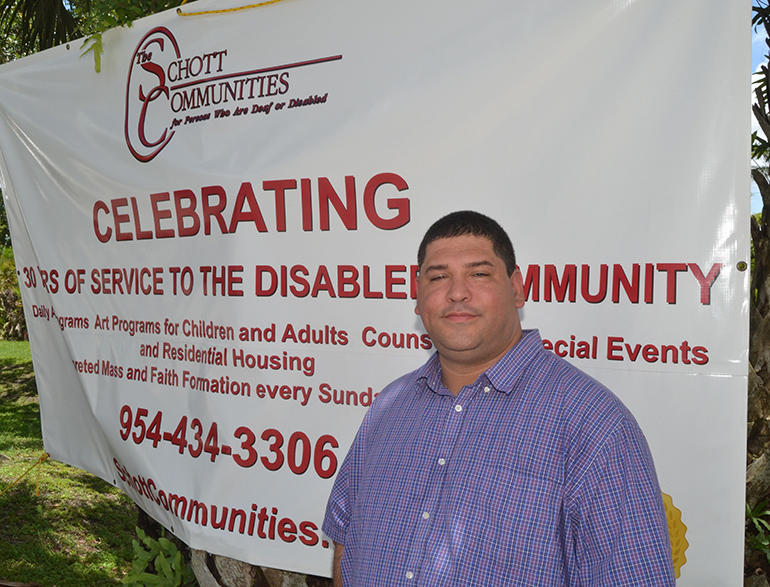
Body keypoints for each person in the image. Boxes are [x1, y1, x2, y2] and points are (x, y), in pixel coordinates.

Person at [322, 210, 675, 586]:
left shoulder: (594, 425)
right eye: (438, 276)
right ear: (418, 294)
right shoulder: (390, 407)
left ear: (517, 288)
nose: (457, 292)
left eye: (479, 273)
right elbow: (347, 542)